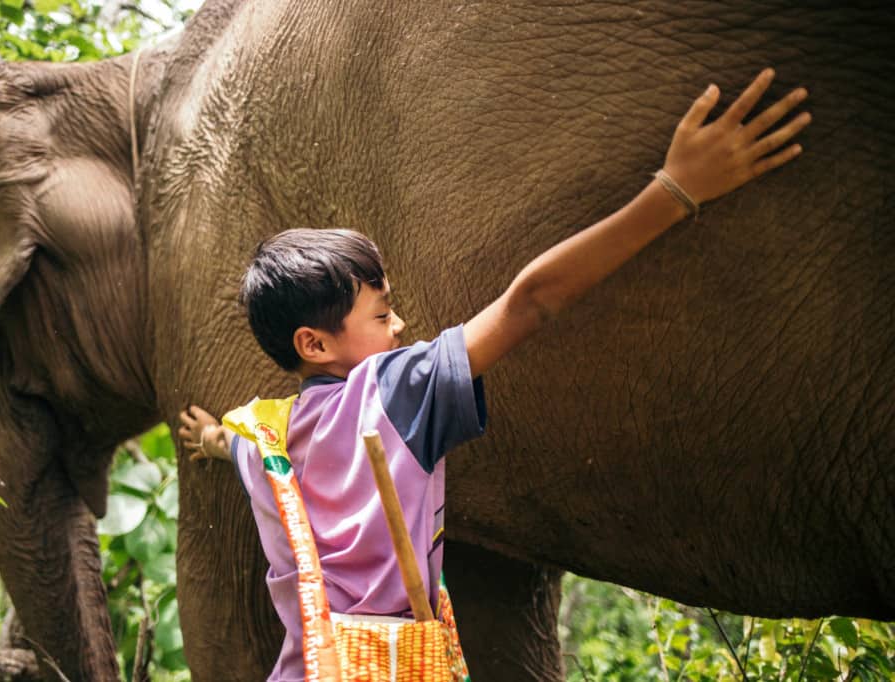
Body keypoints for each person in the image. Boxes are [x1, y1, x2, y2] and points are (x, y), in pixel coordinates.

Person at [178, 68, 810, 680]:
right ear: (314, 343)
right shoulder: (397, 390)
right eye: (382, 313)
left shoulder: (266, 435)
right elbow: (529, 301)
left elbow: (228, 443)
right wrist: (675, 188)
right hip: (399, 668)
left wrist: (208, 437)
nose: (399, 327)